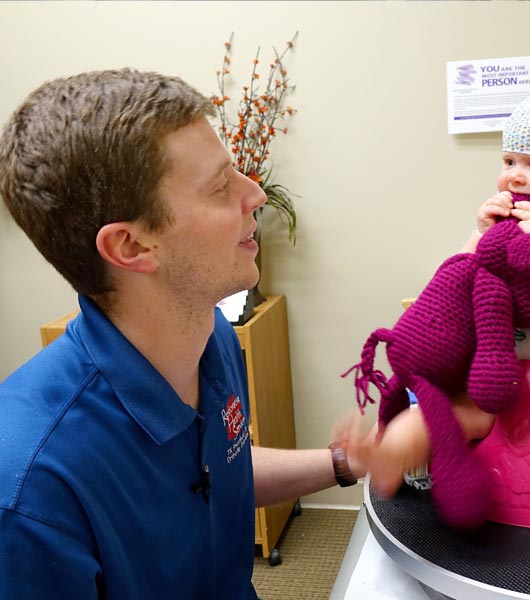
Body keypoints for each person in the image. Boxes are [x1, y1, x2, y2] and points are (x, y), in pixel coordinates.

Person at [0, 68, 366, 599]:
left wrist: (346, 461)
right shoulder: (31, 488)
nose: (256, 194)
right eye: (221, 186)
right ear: (132, 247)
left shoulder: (211, 335)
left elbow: (214, 472)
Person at [351, 80, 530, 600]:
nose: (515, 174)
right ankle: (384, 460)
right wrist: (477, 239)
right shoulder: (502, 227)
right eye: (509, 160)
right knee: (433, 415)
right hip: (496, 377)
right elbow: (449, 294)